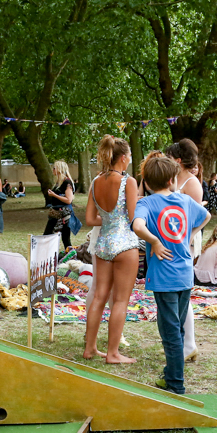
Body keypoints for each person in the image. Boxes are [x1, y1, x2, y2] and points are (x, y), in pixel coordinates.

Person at [133, 154, 210, 394]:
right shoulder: (185, 201)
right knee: (177, 329)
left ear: (146, 183)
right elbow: (206, 216)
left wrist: (155, 241)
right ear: (171, 180)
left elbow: (137, 226)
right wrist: (189, 236)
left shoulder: (146, 203)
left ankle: (175, 384)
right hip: (185, 275)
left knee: (170, 332)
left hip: (164, 278)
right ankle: (170, 375)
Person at [82, 140, 139, 364]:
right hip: (125, 244)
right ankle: (113, 353)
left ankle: (90, 348)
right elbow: (133, 219)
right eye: (130, 155)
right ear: (123, 157)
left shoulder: (96, 181)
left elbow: (89, 219)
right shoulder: (128, 181)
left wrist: (109, 220)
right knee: (120, 301)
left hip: (103, 243)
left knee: (99, 296)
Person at [166, 139, 206, 362]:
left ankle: (188, 343)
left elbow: (196, 218)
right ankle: (180, 342)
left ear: (178, 160)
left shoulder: (192, 184)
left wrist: (186, 239)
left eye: (169, 158)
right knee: (175, 293)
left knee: (182, 293)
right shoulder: (174, 179)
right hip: (172, 238)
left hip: (185, 241)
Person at [44, 160, 75, 249]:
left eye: (54, 168)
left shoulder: (67, 182)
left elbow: (69, 200)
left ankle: (70, 254)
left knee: (65, 238)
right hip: (55, 213)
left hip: (64, 214)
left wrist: (54, 195)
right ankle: (48, 254)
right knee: (47, 235)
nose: (53, 170)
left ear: (60, 169)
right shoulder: (58, 182)